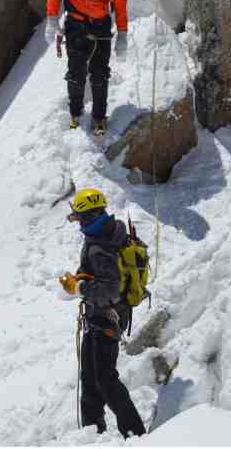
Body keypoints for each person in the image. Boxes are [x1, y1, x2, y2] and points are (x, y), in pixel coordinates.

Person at [60, 187, 147, 438]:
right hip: (100, 317)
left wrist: (79, 287)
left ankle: (136, 435)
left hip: (106, 317)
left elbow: (109, 290)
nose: (79, 224)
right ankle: (92, 432)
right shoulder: (107, 234)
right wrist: (81, 278)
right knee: (90, 376)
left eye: (80, 218)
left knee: (104, 379)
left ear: (90, 216)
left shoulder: (101, 246)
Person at [44, 0, 128, 135]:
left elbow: (120, 5)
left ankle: (99, 118)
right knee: (76, 74)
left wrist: (123, 34)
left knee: (100, 75)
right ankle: (76, 113)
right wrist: (51, 20)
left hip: (100, 27)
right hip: (76, 25)